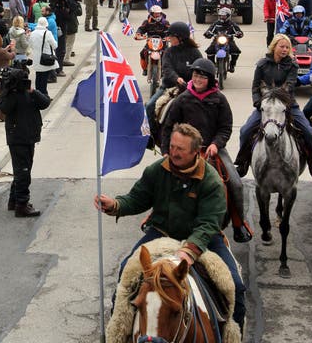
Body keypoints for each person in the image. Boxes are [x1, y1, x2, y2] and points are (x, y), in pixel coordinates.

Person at [94, 123, 246, 330]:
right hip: (161, 232)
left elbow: (209, 223)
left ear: (195, 152)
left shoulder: (211, 180)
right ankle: (120, 328)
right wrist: (116, 205)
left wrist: (190, 250)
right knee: (125, 272)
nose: (173, 152)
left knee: (235, 286)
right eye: (172, 146)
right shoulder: (157, 170)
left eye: (180, 149)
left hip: (204, 240)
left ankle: (232, 333)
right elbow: (138, 198)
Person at [161, 59, 252, 243]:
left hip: (213, 149)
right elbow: (168, 127)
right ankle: (158, 219)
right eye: (195, 75)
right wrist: (166, 151)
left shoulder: (219, 99)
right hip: (186, 150)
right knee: (162, 177)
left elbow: (226, 127)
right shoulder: (183, 98)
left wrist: (216, 144)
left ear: (210, 79)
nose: (198, 79)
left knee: (235, 183)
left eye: (202, 76)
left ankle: (238, 224)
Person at [234, 34, 312, 177]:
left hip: (288, 105)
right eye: (282, 46)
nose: (284, 50)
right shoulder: (262, 64)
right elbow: (255, 87)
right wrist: (259, 103)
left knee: (309, 132)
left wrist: (278, 100)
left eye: (287, 47)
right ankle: (242, 163)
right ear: (274, 46)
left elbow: (289, 86)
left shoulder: (292, 65)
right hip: (265, 106)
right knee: (245, 131)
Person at [0, 65, 51, 217]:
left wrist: (33, 92)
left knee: (22, 170)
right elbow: (5, 109)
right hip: (18, 138)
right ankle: (21, 205)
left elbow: (46, 102)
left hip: (30, 136)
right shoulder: (10, 94)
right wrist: (10, 92)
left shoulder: (30, 93)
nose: (25, 83)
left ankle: (14, 201)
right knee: (23, 172)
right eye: (22, 80)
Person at [145, 22, 203, 143]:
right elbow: (167, 68)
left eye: (171, 36)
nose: (169, 39)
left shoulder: (195, 52)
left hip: (190, 88)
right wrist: (176, 78)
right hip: (169, 87)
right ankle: (151, 137)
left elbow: (200, 68)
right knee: (149, 106)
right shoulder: (169, 52)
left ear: (180, 38)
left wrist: (193, 82)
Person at [203, 7, 244, 72]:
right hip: (217, 40)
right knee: (209, 51)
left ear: (228, 16)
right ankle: (213, 65)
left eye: (224, 16)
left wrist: (239, 33)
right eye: (221, 16)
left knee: (236, 51)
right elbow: (210, 29)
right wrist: (207, 33)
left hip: (229, 40)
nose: (222, 17)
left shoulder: (232, 24)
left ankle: (232, 65)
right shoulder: (216, 23)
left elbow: (238, 31)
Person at [134, 5, 170, 76]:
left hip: (163, 42)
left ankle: (167, 70)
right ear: (152, 13)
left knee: (169, 54)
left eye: (159, 13)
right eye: (155, 13)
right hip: (150, 41)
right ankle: (145, 69)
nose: (157, 15)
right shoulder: (147, 22)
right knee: (142, 53)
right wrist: (138, 34)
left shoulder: (165, 22)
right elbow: (141, 29)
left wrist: (169, 37)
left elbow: (170, 30)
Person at [29, 17, 58, 96]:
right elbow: (55, 45)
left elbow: (30, 45)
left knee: (38, 77)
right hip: (45, 58)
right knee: (44, 79)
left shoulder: (33, 33)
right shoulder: (47, 33)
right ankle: (44, 95)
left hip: (36, 59)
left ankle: (37, 95)